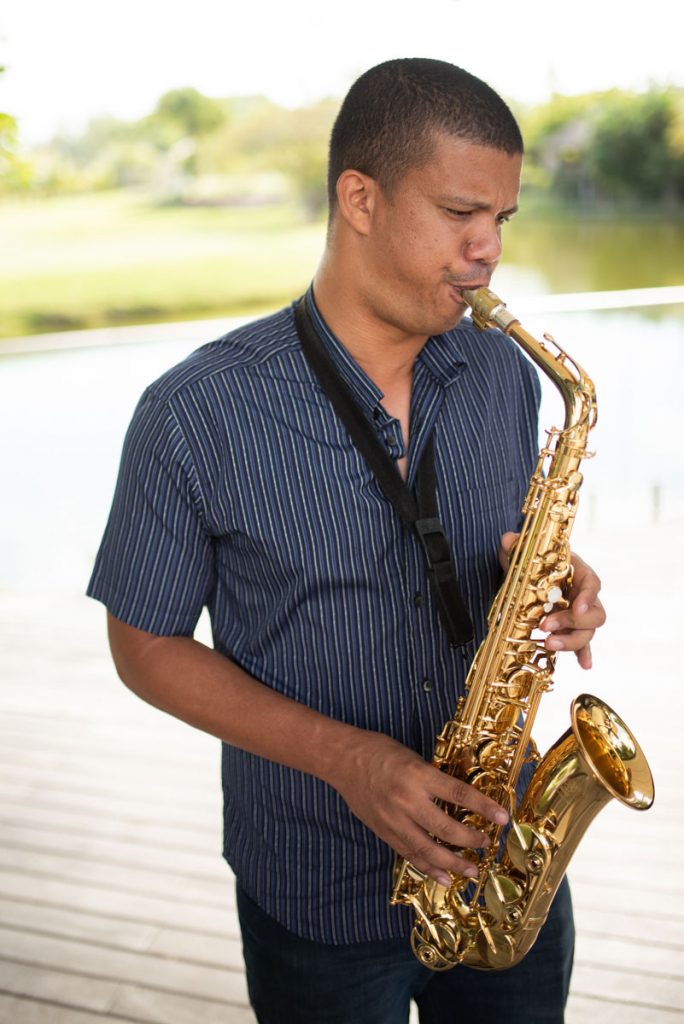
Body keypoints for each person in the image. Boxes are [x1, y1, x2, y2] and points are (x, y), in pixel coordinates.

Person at [88, 58, 605, 1024]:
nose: (489, 249)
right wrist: (351, 760)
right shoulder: (193, 413)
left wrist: (553, 581)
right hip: (317, 889)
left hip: (505, 862)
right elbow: (143, 646)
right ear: (359, 199)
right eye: (461, 214)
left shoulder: (504, 373)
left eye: (502, 218)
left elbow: (498, 550)